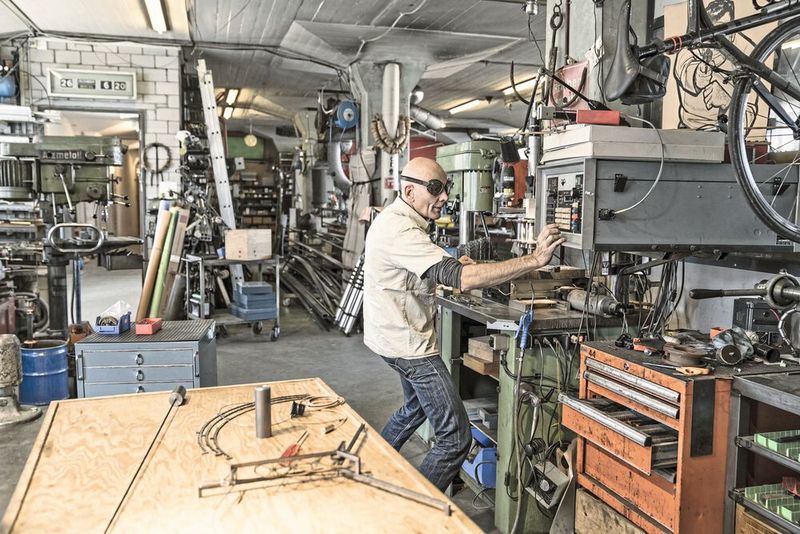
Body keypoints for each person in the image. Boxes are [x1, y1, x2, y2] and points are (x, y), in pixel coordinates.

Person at [363, 156, 564, 492]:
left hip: (388, 337)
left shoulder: (400, 218)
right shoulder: (399, 228)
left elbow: (425, 259)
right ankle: (415, 515)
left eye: (446, 188)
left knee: (414, 409)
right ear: (410, 191)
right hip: (408, 346)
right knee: (455, 439)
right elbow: (462, 280)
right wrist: (534, 260)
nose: (443, 197)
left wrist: (451, 257)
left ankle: (371, 469)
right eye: (435, 189)